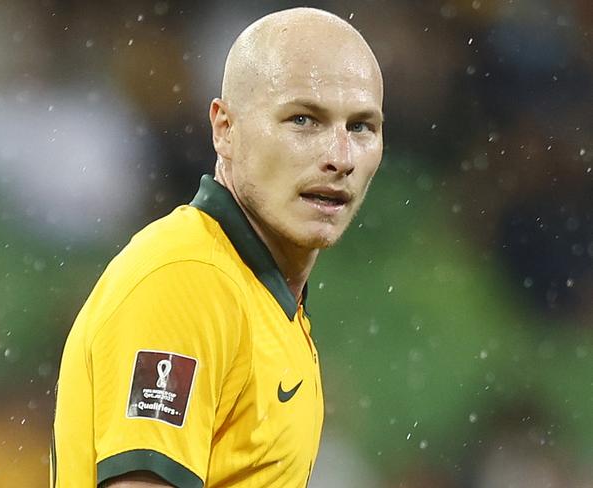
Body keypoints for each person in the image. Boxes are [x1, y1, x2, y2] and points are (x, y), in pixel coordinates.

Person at [52, 7, 384, 488]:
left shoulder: (267, 300)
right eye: (303, 120)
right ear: (225, 129)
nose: (340, 158)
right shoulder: (187, 280)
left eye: (361, 127)